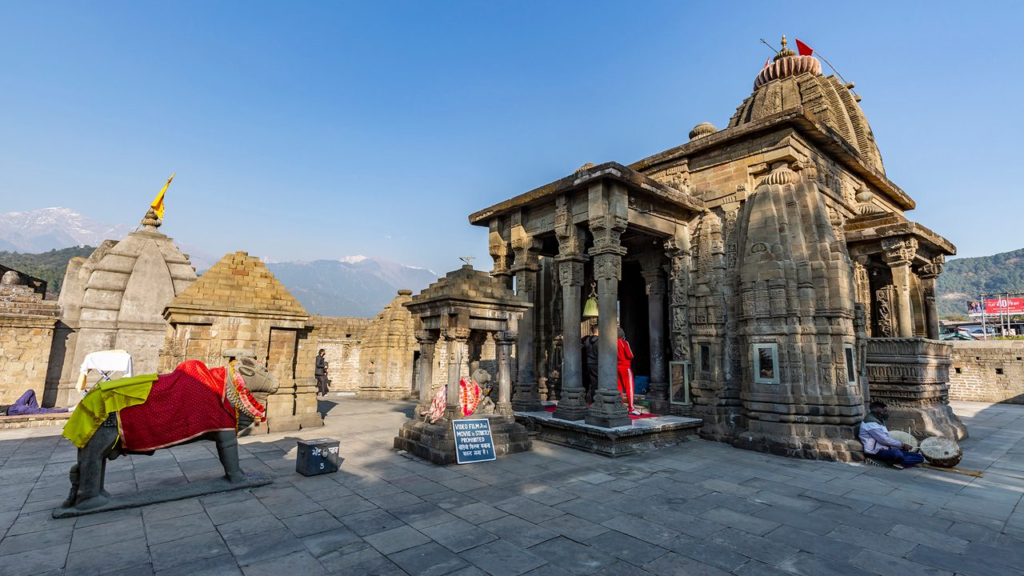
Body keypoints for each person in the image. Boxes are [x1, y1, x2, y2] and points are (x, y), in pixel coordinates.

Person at [859, 401, 924, 468]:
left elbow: (886, 439)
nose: (886, 413)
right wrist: (902, 445)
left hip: (885, 449)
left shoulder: (879, 420)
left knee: (919, 457)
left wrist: (899, 446)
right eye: (885, 411)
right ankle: (896, 462)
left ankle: (896, 461)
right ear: (878, 411)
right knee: (897, 454)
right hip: (875, 452)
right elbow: (884, 440)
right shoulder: (871, 424)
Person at [617, 327, 639, 416]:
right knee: (629, 388)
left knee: (619, 389)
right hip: (625, 367)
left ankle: (620, 406)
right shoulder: (624, 343)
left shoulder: (612, 343)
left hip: (616, 367)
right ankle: (631, 408)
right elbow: (630, 355)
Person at [582, 325, 599, 403]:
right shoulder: (600, 340)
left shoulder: (587, 340)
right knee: (600, 384)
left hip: (589, 363)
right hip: (598, 364)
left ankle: (593, 401)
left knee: (593, 384)